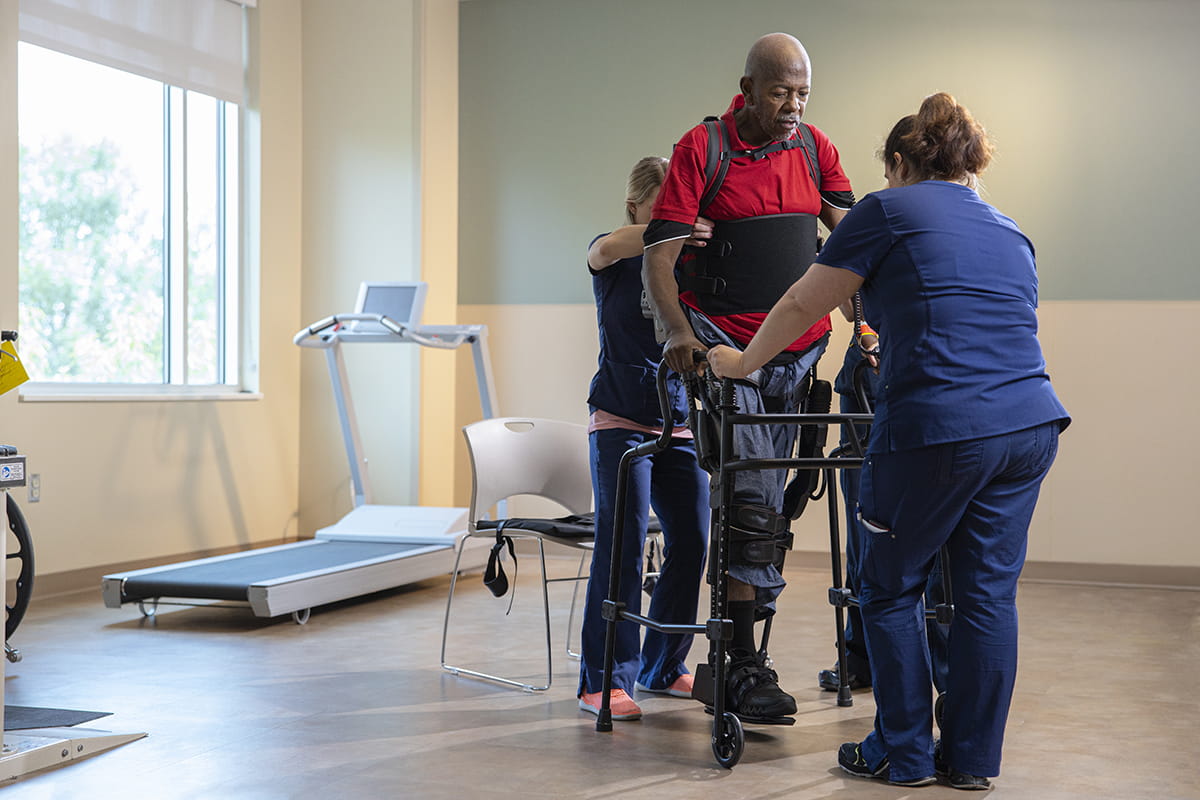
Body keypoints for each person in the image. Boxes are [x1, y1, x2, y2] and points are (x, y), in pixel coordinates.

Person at [707, 92, 1070, 789]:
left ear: (901, 163)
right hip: (1030, 424)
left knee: (888, 586)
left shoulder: (887, 208)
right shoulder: (1009, 227)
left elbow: (801, 302)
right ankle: (970, 763)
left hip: (941, 426)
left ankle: (900, 755)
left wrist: (742, 361)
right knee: (987, 598)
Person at [641, 32, 856, 722]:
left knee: (780, 499)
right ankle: (740, 661)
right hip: (725, 346)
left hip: (797, 349)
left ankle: (742, 646)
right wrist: (678, 332)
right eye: (779, 92)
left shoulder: (815, 147)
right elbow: (659, 256)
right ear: (748, 87)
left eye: (802, 93)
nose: (792, 105)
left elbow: (851, 238)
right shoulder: (702, 150)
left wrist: (869, 318)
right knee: (753, 496)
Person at [577, 156, 713, 721]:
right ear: (635, 208)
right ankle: (603, 680)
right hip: (619, 421)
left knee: (695, 540)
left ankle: (663, 663)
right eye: (664, 210)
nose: (673, 224)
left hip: (677, 422)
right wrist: (671, 228)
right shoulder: (608, 253)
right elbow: (608, 248)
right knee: (623, 547)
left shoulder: (686, 263)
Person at [819, 315, 950, 698]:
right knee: (867, 522)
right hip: (872, 365)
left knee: (935, 528)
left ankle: (940, 669)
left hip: (934, 365)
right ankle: (863, 655)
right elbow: (850, 303)